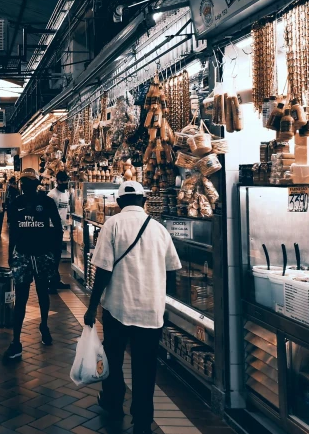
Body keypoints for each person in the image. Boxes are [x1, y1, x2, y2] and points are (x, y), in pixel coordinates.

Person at [83, 181, 181, 434]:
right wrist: (157, 296)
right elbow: (173, 273)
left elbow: (103, 269)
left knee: (113, 359)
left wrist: (92, 306)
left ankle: (114, 404)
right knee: (145, 367)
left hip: (117, 308)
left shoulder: (112, 225)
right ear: (144, 201)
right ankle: (143, 421)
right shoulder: (160, 230)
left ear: (118, 203)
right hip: (150, 312)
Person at [4, 168, 63, 360]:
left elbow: (58, 229)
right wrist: (11, 254)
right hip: (22, 254)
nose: (25, 185)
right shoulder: (16, 203)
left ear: (35, 183)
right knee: (20, 298)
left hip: (41, 254)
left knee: (42, 293)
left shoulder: (47, 202)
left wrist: (54, 257)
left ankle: (44, 325)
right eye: (23, 182)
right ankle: (16, 341)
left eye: (28, 182)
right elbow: (13, 230)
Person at [47, 171, 72, 292]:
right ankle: (51, 283)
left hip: (60, 229)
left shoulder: (67, 193)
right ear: (57, 181)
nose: (64, 182)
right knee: (52, 256)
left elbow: (65, 211)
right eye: (62, 180)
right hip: (51, 229)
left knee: (57, 256)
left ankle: (55, 280)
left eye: (66, 180)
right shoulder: (52, 195)